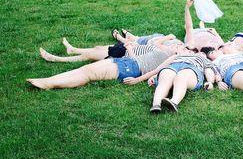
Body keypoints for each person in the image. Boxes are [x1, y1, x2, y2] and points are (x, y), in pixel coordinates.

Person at [27, 48, 177, 90]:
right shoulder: (167, 51)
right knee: (85, 69)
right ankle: (48, 81)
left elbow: (158, 71)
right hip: (126, 61)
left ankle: (49, 84)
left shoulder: (173, 58)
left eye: (186, 48)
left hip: (130, 69)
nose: (179, 45)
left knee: (88, 75)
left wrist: (137, 80)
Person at [149, 51, 225, 113]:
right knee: (166, 76)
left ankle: (174, 101)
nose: (199, 53)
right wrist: (155, 76)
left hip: (192, 67)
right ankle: (156, 104)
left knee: (182, 76)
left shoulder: (205, 60)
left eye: (202, 53)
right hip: (174, 65)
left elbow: (208, 70)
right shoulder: (180, 56)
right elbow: (165, 67)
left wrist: (210, 82)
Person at [39, 34, 183, 63]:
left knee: (89, 56)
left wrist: (130, 48)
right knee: (97, 48)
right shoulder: (165, 50)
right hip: (127, 47)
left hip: (124, 53)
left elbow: (138, 60)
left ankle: (57, 59)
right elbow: (153, 45)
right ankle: (73, 49)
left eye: (180, 48)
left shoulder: (166, 56)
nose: (178, 45)